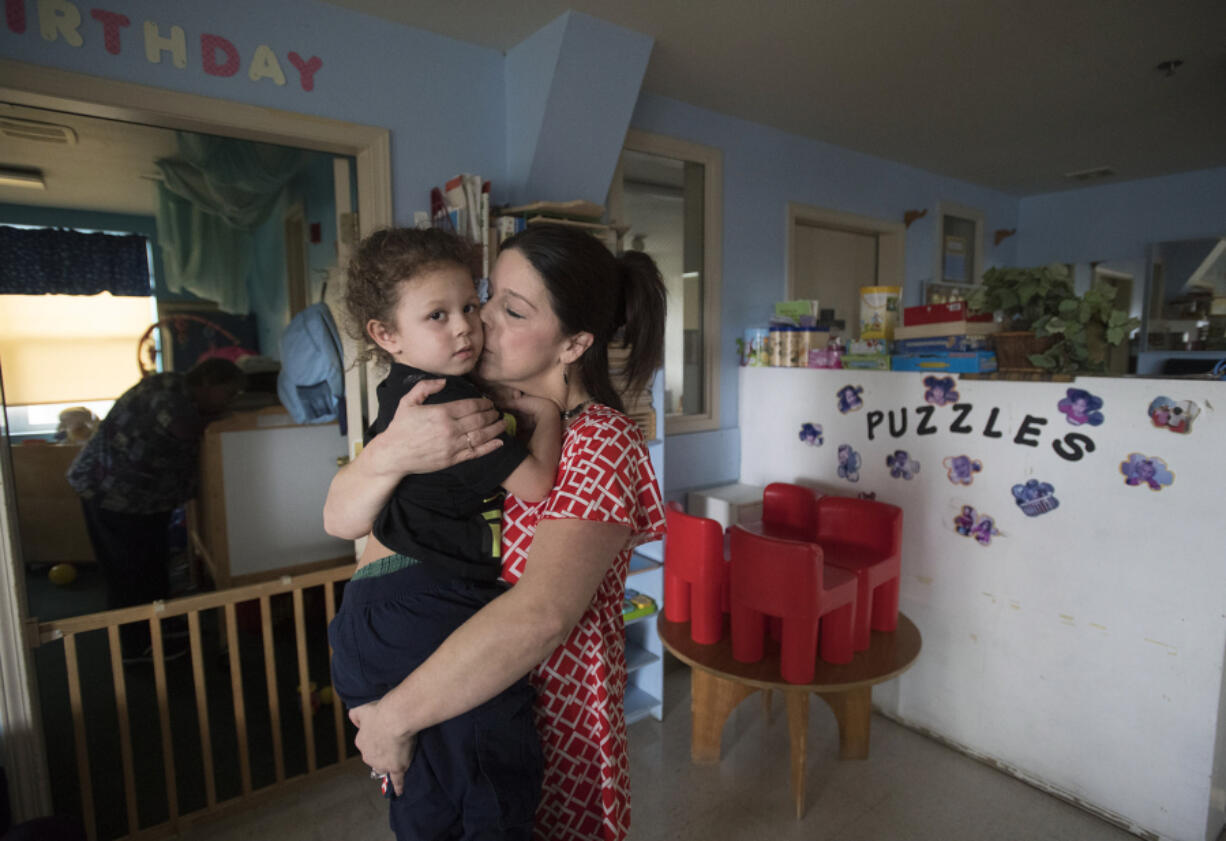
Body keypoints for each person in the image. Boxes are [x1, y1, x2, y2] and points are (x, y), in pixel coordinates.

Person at [323, 223, 667, 841]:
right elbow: (348, 525)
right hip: (452, 698)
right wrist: (387, 454)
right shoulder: (461, 402)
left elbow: (542, 615)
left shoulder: (599, 439)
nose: (476, 321)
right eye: (487, 297)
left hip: (543, 722)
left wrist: (391, 720)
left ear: (572, 344)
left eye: (510, 310)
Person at [326, 228, 563, 840]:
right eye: (438, 315)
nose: (465, 327)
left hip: (382, 606)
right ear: (386, 334)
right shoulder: (452, 405)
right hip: (424, 601)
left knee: (433, 784)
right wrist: (546, 415)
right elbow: (535, 484)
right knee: (489, 774)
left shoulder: (402, 389)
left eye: (470, 305)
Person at [66, 358, 245, 662]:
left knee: (152, 564)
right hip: (112, 493)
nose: (230, 400)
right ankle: (136, 647)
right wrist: (225, 417)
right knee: (127, 572)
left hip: (142, 499)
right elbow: (181, 427)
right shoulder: (167, 395)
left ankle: (159, 623)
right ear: (208, 383)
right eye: (227, 392)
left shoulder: (177, 390)